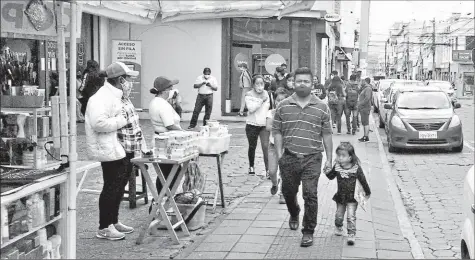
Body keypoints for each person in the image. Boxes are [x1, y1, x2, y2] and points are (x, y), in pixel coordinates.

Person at [273, 67, 333, 247]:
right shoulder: (283, 106)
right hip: (289, 156)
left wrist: (329, 159)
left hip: (312, 157)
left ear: (312, 83)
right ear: (293, 82)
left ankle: (308, 230)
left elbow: (327, 134)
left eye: (306, 81)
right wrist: (279, 154)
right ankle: (294, 212)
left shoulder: (322, 107)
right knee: (288, 192)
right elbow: (276, 131)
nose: (302, 84)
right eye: (299, 81)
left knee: (310, 194)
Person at [85, 61, 139, 241]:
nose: (130, 82)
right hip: (109, 149)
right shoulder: (101, 98)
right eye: (128, 79)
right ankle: (103, 227)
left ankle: (113, 221)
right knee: (111, 187)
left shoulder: (118, 95)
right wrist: (120, 121)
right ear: (120, 79)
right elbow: (98, 123)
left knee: (119, 187)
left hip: (122, 148)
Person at [148, 76, 183, 214]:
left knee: (165, 173)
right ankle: (161, 202)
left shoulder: (160, 102)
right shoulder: (161, 104)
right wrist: (184, 132)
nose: (173, 90)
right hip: (166, 142)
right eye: (170, 88)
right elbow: (170, 125)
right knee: (170, 173)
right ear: (164, 91)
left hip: (162, 140)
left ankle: (161, 201)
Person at [325, 142, 371, 246]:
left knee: (351, 217)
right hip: (340, 197)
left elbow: (363, 181)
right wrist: (327, 171)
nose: (340, 158)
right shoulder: (337, 167)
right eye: (338, 155)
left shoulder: (356, 168)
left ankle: (351, 234)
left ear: (350, 157)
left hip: (352, 198)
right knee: (339, 215)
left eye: (343, 155)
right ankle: (339, 225)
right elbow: (331, 176)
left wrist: (367, 192)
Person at [266, 88, 289, 204]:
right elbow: (268, 126)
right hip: (273, 146)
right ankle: (275, 183)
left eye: (282, 100)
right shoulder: (271, 113)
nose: (279, 102)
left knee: (285, 171)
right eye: (277, 100)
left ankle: (283, 194)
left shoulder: (291, 114)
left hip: (287, 146)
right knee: (272, 171)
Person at [245, 75, 271, 176]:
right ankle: (251, 166)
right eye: (257, 84)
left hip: (264, 125)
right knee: (252, 146)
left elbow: (270, 108)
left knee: (265, 146)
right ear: (253, 85)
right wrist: (261, 100)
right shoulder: (249, 95)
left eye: (262, 84)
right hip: (252, 124)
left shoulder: (267, 94)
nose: (260, 86)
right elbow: (251, 109)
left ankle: (268, 170)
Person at [358, 78, 373, 142]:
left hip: (365, 108)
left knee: (365, 122)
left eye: (362, 81)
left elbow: (367, 98)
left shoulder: (368, 89)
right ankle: (365, 135)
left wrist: (361, 104)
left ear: (365, 82)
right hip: (363, 108)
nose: (361, 82)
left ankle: (366, 137)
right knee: (364, 122)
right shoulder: (365, 88)